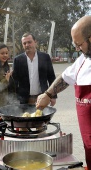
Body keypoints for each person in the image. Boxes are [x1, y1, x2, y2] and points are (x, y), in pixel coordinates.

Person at [36, 15, 91, 169]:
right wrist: (47, 94)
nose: (77, 49)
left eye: (79, 44)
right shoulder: (84, 59)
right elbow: (65, 77)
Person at [10, 32, 57, 105]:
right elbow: (14, 82)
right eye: (24, 43)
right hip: (24, 100)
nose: (27, 45)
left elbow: (51, 77)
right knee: (25, 116)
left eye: (29, 42)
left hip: (42, 97)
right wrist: (14, 99)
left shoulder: (45, 57)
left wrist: (53, 96)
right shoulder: (18, 60)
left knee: (41, 116)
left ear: (35, 42)